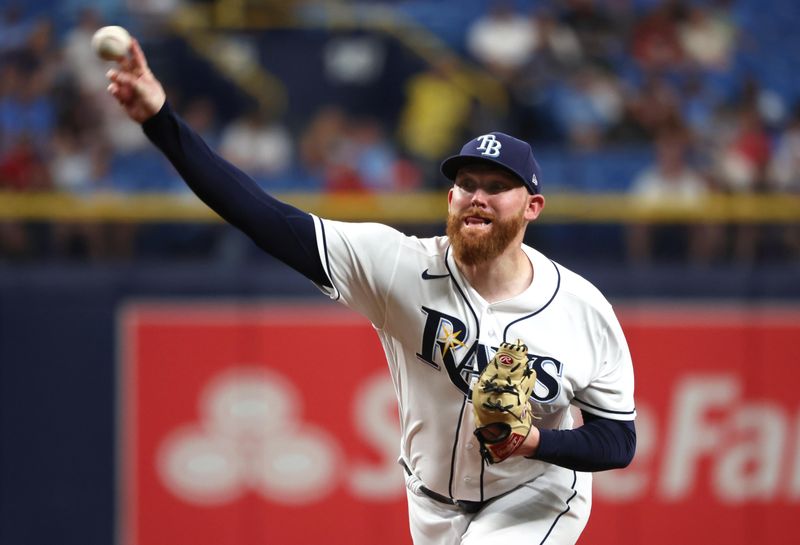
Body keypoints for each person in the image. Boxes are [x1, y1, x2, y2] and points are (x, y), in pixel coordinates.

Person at [106, 38, 636, 545]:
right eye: (467, 184)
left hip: (535, 495)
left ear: (531, 208)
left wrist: (536, 442)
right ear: (450, 197)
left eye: (497, 187)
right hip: (429, 504)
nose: (478, 197)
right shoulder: (399, 267)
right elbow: (262, 216)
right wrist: (160, 119)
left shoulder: (581, 309)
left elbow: (617, 441)